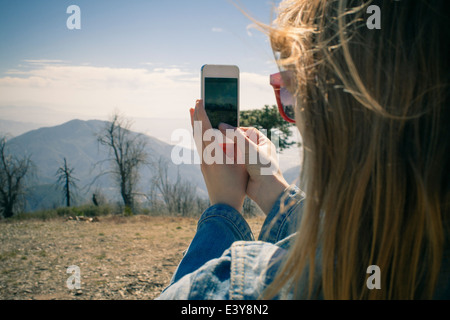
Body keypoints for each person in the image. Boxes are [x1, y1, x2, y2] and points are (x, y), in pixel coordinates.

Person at [157, 0, 449, 300]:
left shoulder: (241, 289)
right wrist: (273, 189)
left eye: (291, 86)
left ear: (334, 108)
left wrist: (223, 209)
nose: (291, 109)